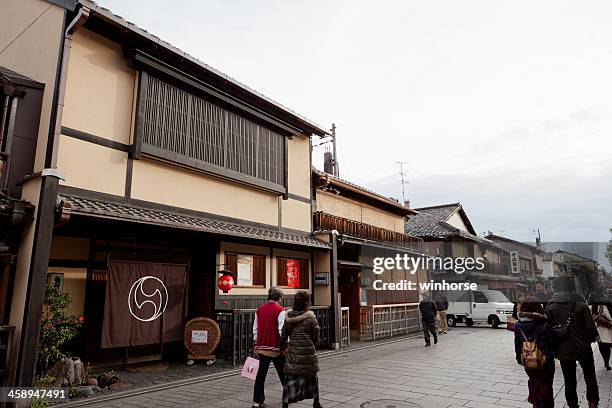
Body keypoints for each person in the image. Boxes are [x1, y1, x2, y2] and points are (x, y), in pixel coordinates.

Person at [546, 276, 599, 408]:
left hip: (563, 351)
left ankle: (572, 405)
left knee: (569, 381)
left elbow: (548, 331)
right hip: (583, 349)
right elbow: (591, 329)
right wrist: (589, 340)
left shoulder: (550, 307)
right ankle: (592, 403)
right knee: (590, 378)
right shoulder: (581, 305)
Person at [280, 291, 322, 408]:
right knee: (312, 377)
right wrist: (313, 344)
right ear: (306, 302)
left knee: (291, 377)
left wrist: (282, 347)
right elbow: (316, 333)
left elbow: (284, 335)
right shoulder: (310, 317)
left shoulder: (289, 317)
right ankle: (316, 402)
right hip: (308, 351)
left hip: (293, 351)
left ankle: (285, 404)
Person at [514, 296, 555, 408]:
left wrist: (519, 358)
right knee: (546, 385)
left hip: (528, 359)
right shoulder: (544, 324)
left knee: (534, 382)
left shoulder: (518, 325)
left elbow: (518, 345)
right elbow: (551, 342)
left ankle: (535, 404)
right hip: (545, 360)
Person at [252, 287, 286, 408]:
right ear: (279, 298)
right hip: (276, 348)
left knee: (260, 376)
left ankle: (257, 401)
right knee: (284, 374)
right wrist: (285, 346)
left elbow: (255, 329)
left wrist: (256, 343)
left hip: (261, 346)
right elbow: (282, 331)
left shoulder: (260, 309)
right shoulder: (280, 310)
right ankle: (287, 398)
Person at [591, 300, 612, 370]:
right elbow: (593, 315)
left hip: (606, 326)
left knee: (605, 345)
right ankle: (606, 361)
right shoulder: (596, 303)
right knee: (604, 345)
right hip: (602, 328)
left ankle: (606, 361)